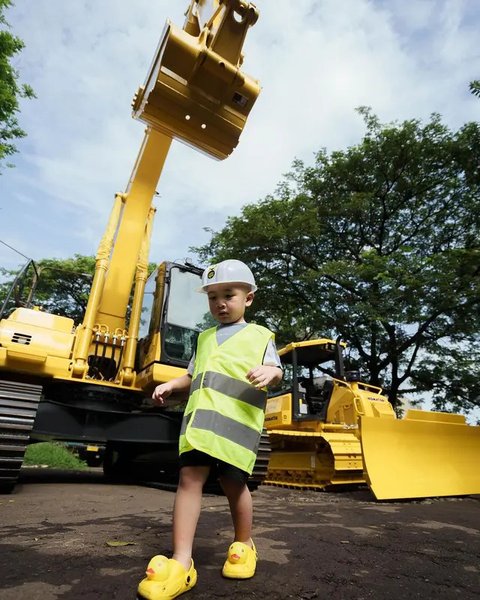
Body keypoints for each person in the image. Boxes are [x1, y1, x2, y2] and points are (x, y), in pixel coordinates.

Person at [137, 259, 283, 600]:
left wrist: (269, 372)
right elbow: (193, 376)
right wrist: (172, 385)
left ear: (248, 298)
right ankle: (181, 561)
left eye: (228, 294)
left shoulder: (260, 335)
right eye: (212, 297)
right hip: (200, 427)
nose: (220, 303)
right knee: (189, 481)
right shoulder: (203, 338)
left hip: (236, 430)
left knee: (234, 484)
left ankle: (244, 543)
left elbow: (275, 370)